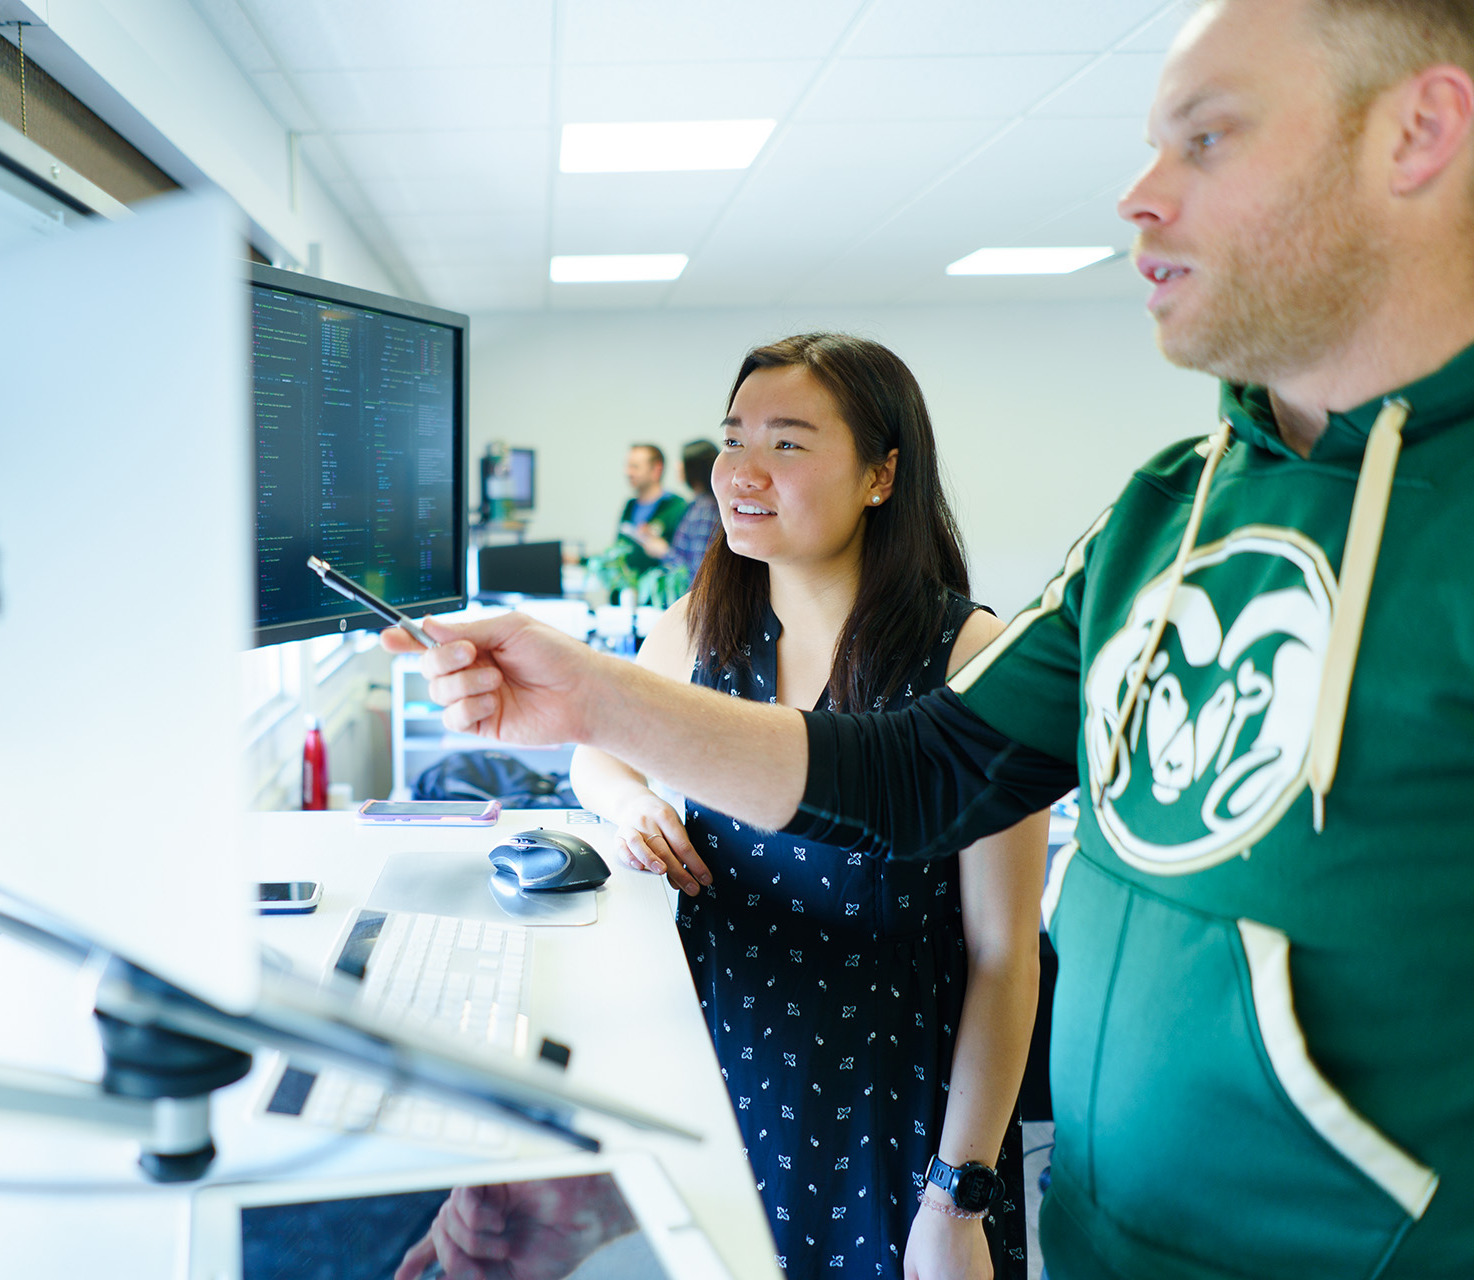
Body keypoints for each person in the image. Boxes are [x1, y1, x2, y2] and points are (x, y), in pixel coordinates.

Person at [385, 1, 1474, 1274]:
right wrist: (592, 701)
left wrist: (953, 1188)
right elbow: (919, 772)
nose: (1137, 195)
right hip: (1101, 1236)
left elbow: (996, 940)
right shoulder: (1164, 514)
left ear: (1419, 131)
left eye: (1209, 138)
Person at [570, 334, 1046, 1280]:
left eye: (786, 443)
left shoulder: (969, 657)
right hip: (724, 1086)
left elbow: (1005, 956)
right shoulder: (705, 628)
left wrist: (956, 1197)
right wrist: (628, 805)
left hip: (895, 1117)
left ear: (881, 475)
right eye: (733, 438)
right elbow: (596, 753)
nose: (740, 472)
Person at [628, 438, 723, 586]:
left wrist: (663, 551)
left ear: (694, 468)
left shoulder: (705, 511)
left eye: (683, 462)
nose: (678, 467)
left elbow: (698, 571)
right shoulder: (697, 506)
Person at [613, 443, 686, 580]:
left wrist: (663, 550)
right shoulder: (630, 506)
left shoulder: (676, 507)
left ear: (656, 470)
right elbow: (618, 550)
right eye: (627, 466)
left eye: (635, 467)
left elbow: (686, 560)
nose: (628, 473)